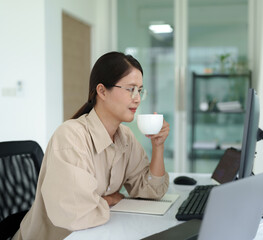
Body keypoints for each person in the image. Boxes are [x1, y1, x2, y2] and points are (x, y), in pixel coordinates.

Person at [13, 52, 170, 240]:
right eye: (130, 89)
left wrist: (158, 146)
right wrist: (111, 199)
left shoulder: (125, 138)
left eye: (140, 90)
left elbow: (152, 191)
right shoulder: (71, 136)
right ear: (102, 91)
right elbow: (77, 214)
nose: (137, 98)